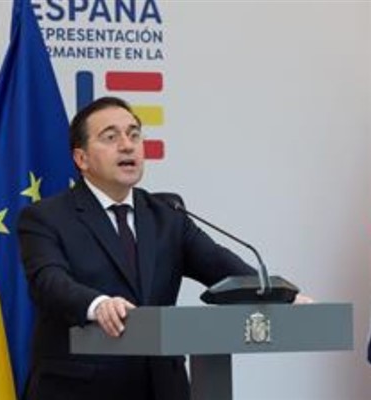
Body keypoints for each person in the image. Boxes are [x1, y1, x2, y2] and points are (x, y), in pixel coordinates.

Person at [17, 96, 258, 400]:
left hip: (162, 388)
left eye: (134, 135)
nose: (127, 145)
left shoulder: (167, 214)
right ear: (81, 159)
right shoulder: (46, 217)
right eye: (111, 137)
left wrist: (277, 295)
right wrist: (97, 304)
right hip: (80, 388)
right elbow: (48, 282)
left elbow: (223, 269)